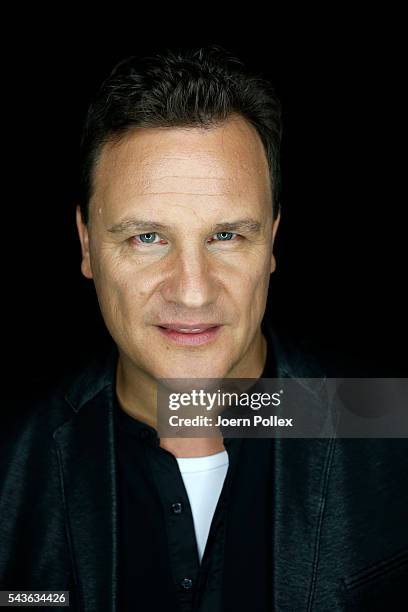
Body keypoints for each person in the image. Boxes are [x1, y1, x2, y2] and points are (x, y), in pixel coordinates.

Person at [1, 45, 407, 612]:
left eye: (226, 236)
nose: (192, 291)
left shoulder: (393, 430)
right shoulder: (12, 462)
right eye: (148, 238)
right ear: (87, 243)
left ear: (271, 241)